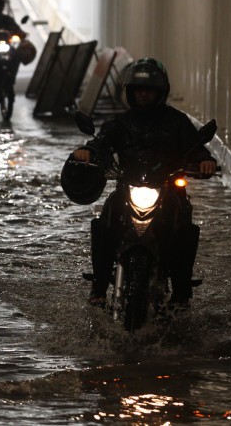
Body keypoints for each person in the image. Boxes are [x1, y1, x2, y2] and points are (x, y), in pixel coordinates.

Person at [70, 57, 217, 308]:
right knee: (105, 221)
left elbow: (195, 148)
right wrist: (88, 152)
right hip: (128, 188)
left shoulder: (177, 122)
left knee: (183, 225)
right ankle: (99, 287)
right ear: (130, 92)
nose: (143, 95)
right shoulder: (120, 123)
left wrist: (205, 161)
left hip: (168, 190)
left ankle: (181, 291)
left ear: (160, 92)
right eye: (139, 90)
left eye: (148, 90)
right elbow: (101, 142)